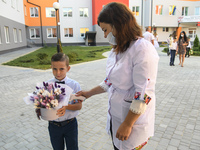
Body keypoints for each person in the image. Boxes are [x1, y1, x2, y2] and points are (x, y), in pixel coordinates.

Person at [76, 2, 159, 150]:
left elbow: (144, 94)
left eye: (105, 30)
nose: (105, 35)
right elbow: (110, 81)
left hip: (132, 122)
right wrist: (88, 94)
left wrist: (128, 124)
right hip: (117, 118)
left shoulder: (143, 49)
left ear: (118, 24)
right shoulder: (119, 50)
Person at [36, 53, 82, 150]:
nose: (58, 73)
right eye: (54, 69)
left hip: (70, 125)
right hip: (54, 126)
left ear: (68, 68)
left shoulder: (75, 85)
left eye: (61, 69)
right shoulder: (47, 85)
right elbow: (44, 103)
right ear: (51, 67)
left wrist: (66, 107)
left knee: (73, 148)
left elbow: (79, 106)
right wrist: (40, 108)